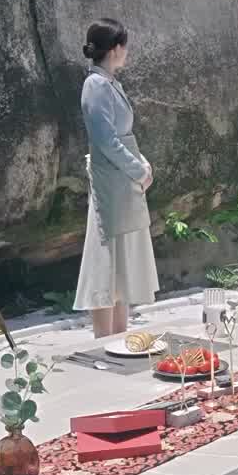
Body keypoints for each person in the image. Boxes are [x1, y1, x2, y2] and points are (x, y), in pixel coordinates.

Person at [74, 19, 158, 339]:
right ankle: (104, 341)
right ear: (115, 48)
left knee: (121, 259)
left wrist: (142, 165)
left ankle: (121, 338)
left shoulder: (110, 83)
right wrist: (139, 170)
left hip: (123, 179)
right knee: (106, 258)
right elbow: (105, 139)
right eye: (125, 45)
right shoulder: (95, 85)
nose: (127, 51)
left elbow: (124, 135)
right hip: (111, 181)